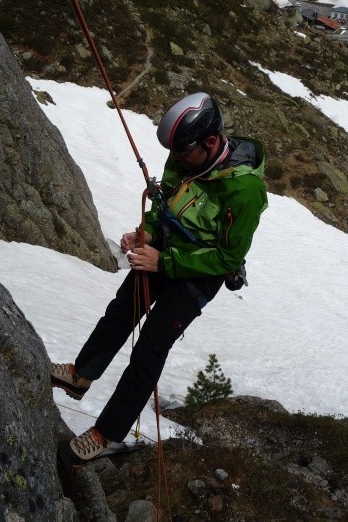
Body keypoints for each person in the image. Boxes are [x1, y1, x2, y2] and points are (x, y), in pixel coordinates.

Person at [51, 91, 268, 465]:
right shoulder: (183, 151)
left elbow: (227, 255)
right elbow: (166, 201)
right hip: (162, 252)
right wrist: (148, 231)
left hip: (199, 274)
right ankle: (81, 373)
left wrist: (163, 263)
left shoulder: (245, 188)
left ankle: (107, 432)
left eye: (183, 153)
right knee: (122, 309)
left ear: (211, 142)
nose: (177, 159)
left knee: (150, 346)